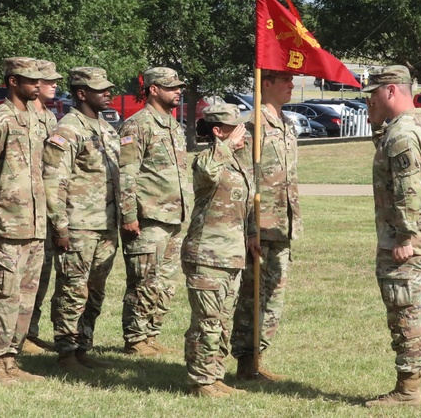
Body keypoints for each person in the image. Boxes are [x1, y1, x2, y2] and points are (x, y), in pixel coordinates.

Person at [363, 66, 421, 408]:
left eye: (374, 93)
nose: (370, 99)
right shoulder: (420, 123)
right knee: (412, 310)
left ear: (391, 91)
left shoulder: (402, 133)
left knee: (405, 313)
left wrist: (402, 237)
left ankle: (408, 391)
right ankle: (408, 386)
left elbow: (406, 191)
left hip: (410, 243)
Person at [43, 67, 120, 374]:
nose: (108, 93)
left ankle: (83, 346)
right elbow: (54, 181)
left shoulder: (106, 127)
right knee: (73, 290)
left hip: (105, 225)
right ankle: (66, 352)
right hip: (78, 225)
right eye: (100, 89)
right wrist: (60, 227)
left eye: (108, 88)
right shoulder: (68, 129)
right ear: (81, 93)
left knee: (96, 290)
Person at [0, 58, 47, 385]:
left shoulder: (38, 118)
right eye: (30, 80)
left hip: (35, 223)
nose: (37, 85)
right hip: (6, 222)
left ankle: (11, 358)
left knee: (25, 296)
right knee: (0, 293)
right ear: (13, 81)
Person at [182, 104, 256, 398]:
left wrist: (251, 234)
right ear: (218, 131)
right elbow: (209, 175)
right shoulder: (207, 159)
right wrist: (227, 146)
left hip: (232, 254)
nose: (243, 131)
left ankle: (215, 375)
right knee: (207, 322)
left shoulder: (238, 162)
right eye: (235, 127)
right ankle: (201, 382)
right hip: (208, 253)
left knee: (223, 321)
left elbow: (247, 203)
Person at [118, 67, 192, 357]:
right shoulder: (137, 125)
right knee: (143, 280)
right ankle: (135, 338)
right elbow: (127, 173)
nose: (177, 91)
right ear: (152, 89)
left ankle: (151, 333)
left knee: (165, 283)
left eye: (178, 87)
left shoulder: (173, 125)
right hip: (148, 217)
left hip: (173, 216)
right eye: (170, 86)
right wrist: (128, 215)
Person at [230, 69, 299, 381]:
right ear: (266, 84)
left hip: (283, 224)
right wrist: (249, 229)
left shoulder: (286, 124)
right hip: (260, 225)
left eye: (292, 80)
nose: (291, 85)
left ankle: (259, 355)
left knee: (274, 295)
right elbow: (242, 179)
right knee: (250, 296)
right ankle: (245, 361)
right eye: (285, 80)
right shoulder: (252, 125)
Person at [24, 59, 63, 355]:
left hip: (46, 208)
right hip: (20, 210)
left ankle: (30, 331)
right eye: (47, 81)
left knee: (41, 274)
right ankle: (17, 334)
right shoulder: (16, 117)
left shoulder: (50, 119)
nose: (52, 86)